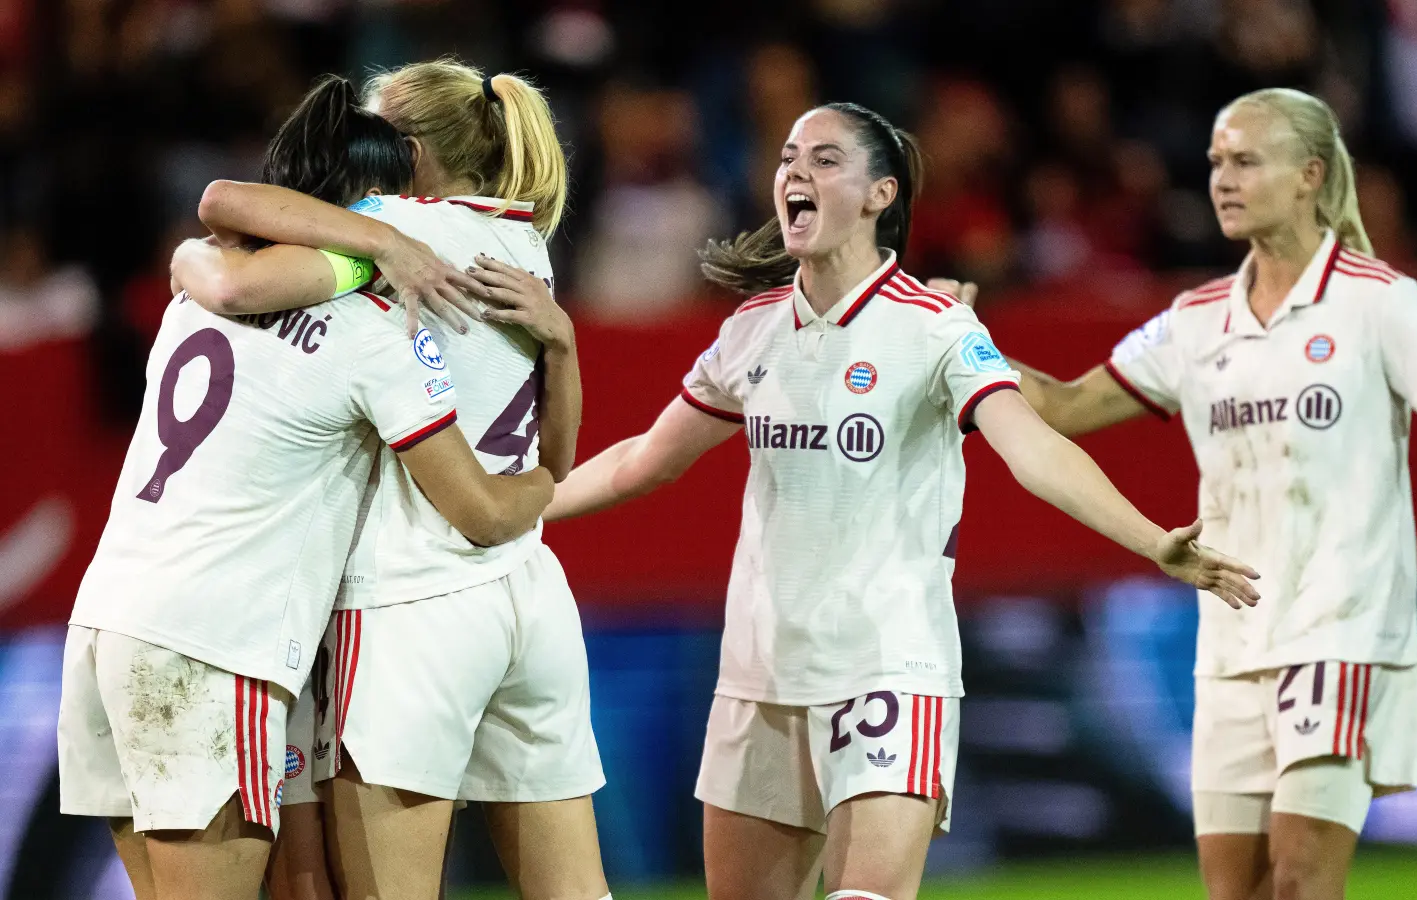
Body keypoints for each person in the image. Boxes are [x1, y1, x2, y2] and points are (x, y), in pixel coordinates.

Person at [542, 101, 1261, 900]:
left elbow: (1033, 449)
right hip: (759, 677)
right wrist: (517, 514)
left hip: (887, 671)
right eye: (787, 158)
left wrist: (1151, 539)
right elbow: (643, 461)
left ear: (881, 194)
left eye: (822, 160)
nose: (794, 174)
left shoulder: (935, 328)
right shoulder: (751, 330)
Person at [936, 88, 1417, 900]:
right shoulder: (1195, 317)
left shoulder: (1377, 300)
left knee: (1299, 878)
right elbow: (1071, 404)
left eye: (1246, 160)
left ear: (1309, 175)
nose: (1221, 178)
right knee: (1236, 892)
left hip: (1340, 628)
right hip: (1231, 645)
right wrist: (967, 345)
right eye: (1218, 160)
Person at [57, 75, 560, 900]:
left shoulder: (198, 290)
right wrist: (549, 477)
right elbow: (481, 510)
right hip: (213, 649)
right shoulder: (373, 335)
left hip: (106, 628)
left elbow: (214, 238)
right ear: (386, 208)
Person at [185, 60, 611, 900]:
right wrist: (563, 343)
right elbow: (552, 465)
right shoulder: (527, 242)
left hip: (409, 599)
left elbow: (221, 207)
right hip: (530, 594)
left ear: (407, 154)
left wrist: (371, 236)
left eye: (372, 134)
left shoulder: (391, 229)